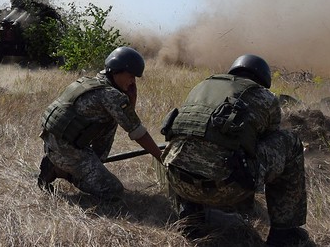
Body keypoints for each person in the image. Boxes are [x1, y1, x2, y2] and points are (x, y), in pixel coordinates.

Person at [160, 54, 310, 246]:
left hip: (178, 181)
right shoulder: (266, 97)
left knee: (188, 147)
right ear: (262, 79)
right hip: (227, 189)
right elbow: (266, 140)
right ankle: (284, 232)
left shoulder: (202, 86)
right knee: (290, 142)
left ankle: (191, 214)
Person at [37, 46, 164, 200]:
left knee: (111, 121)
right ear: (116, 71)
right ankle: (59, 170)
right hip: (65, 149)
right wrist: (162, 158)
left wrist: (131, 100)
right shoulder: (111, 95)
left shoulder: (93, 81)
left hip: (53, 141)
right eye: (130, 76)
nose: (132, 81)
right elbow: (137, 132)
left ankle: (72, 165)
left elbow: (126, 119)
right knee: (113, 190)